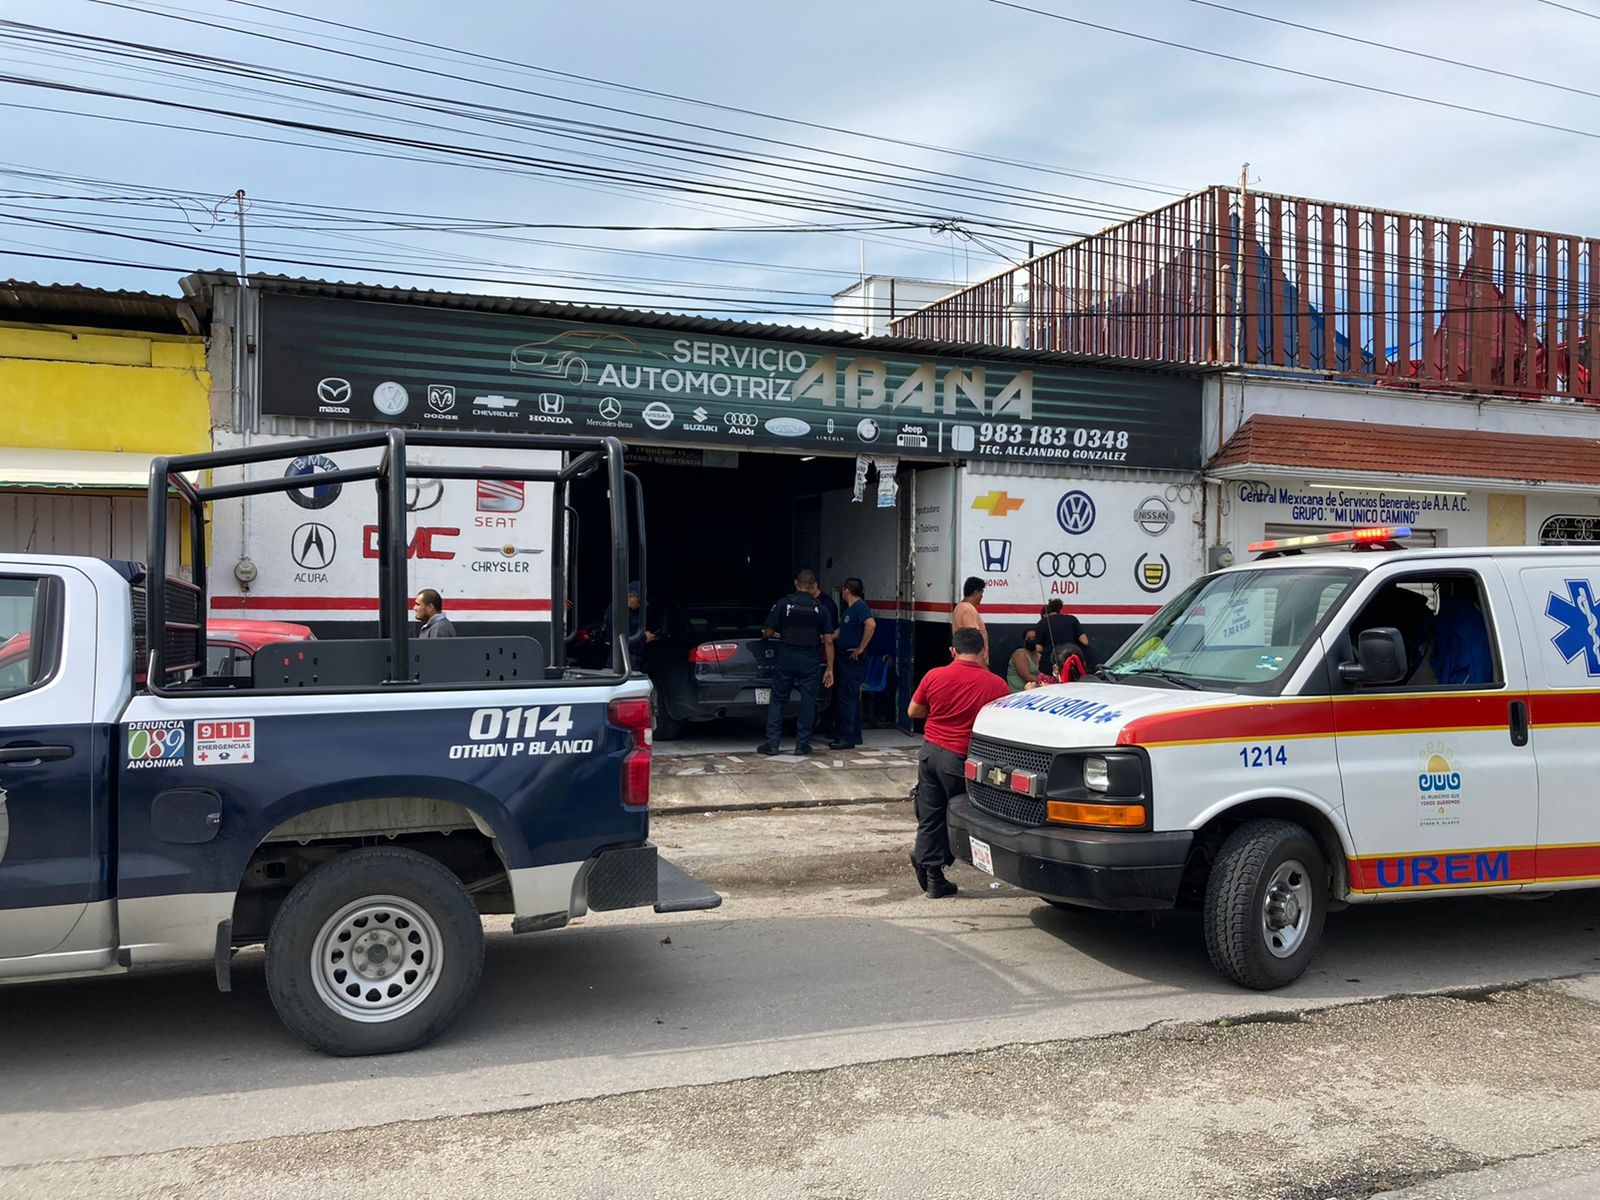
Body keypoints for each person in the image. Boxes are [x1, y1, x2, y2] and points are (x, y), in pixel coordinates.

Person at [907, 625, 1010, 898]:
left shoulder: (934, 675)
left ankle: (931, 871)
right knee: (961, 815)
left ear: (953, 651)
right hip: (959, 760)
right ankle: (932, 863)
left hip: (930, 753)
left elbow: (913, 710)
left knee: (930, 815)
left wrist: (939, 711)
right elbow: (1002, 724)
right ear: (983, 651)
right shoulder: (996, 684)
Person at [757, 568, 835, 757]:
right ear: (814, 585)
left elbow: (767, 632)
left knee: (778, 700)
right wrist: (830, 669)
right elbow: (829, 640)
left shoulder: (784, 604)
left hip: (787, 657)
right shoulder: (821, 609)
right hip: (810, 659)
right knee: (808, 701)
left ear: (796, 583)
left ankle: (772, 744)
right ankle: (802, 745)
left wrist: (766, 635)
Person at [829, 577, 877, 750]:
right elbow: (840, 632)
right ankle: (855, 735)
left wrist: (861, 647)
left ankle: (846, 737)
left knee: (847, 698)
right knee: (851, 698)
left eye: (843, 589)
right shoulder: (849, 610)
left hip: (853, 661)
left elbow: (870, 625)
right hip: (844, 659)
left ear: (847, 589)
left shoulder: (860, 607)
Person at [602, 580, 654, 663]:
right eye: (639, 601)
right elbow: (622, 638)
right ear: (631, 596)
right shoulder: (617, 611)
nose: (639, 605)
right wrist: (644, 637)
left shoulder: (629, 612)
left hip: (631, 659)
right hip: (622, 660)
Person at [1040, 597, 1091, 676]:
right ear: (1059, 610)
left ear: (1045, 614)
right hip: (1072, 662)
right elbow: (1085, 641)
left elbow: (1038, 648)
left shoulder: (1042, 623)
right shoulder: (1072, 619)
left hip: (1048, 665)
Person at [951, 576, 989, 665]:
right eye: (981, 593)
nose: (982, 596)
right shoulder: (968, 609)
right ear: (976, 593)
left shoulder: (960, 607)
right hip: (974, 660)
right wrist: (982, 662)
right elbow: (974, 639)